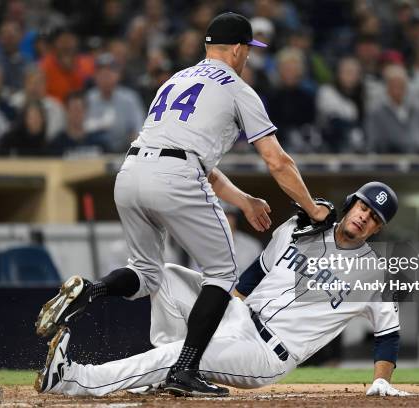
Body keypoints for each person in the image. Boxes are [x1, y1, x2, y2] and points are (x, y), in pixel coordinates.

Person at [34, 12, 330, 398]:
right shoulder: (239, 89)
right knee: (222, 275)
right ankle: (185, 369)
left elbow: (190, 159)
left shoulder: (175, 80)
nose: (248, 58)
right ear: (239, 49)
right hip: (176, 175)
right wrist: (313, 207)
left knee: (145, 273)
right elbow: (278, 162)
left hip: (131, 172)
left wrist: (243, 199)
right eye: (248, 51)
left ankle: (88, 293)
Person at [35, 182, 411, 398]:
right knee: (165, 276)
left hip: (267, 354)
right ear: (351, 205)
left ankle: (72, 379)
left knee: (177, 355)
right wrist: (226, 315)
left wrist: (381, 379)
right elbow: (253, 276)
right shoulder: (299, 229)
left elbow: (388, 334)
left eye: (374, 218)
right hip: (240, 318)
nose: (364, 217)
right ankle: (171, 377)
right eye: (363, 207)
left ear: (377, 230)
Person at [84, 53, 145, 153]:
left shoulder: (129, 98)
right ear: (95, 76)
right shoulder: (87, 99)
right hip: (93, 152)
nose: (106, 77)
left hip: (124, 151)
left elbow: (139, 130)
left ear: (118, 75)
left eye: (111, 72)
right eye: (102, 73)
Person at [365, 65, 419, 153]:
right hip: (390, 160)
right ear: (387, 87)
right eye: (393, 84)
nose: (397, 89)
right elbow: (374, 142)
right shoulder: (376, 112)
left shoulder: (416, 110)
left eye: (401, 84)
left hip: (416, 161)